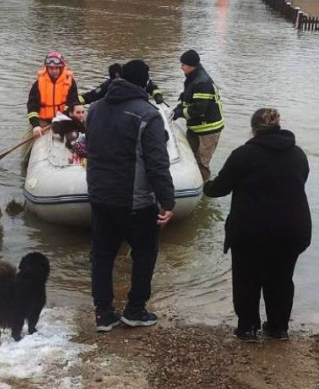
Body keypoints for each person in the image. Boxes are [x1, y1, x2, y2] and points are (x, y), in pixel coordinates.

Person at [203, 108, 311, 342]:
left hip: (250, 230)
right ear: (278, 127)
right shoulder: (298, 154)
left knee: (246, 278)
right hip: (291, 230)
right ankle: (278, 328)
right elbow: (302, 178)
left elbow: (220, 188)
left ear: (253, 130)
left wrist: (205, 186)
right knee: (281, 279)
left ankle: (248, 328)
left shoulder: (243, 155)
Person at [85, 59, 175, 332]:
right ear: (145, 82)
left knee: (101, 256)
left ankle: (103, 313)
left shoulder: (95, 109)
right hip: (135, 202)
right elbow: (157, 163)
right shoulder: (147, 115)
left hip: (100, 197)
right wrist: (168, 201)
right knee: (145, 253)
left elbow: (90, 147)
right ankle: (135, 309)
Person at [171, 49, 224, 181]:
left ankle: (203, 190)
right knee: (189, 159)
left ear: (192, 65)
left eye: (183, 65)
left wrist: (179, 113)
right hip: (196, 127)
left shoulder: (202, 82)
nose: (181, 67)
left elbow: (199, 109)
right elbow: (188, 100)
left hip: (208, 129)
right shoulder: (193, 78)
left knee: (201, 163)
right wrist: (177, 109)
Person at [27, 51, 79, 138]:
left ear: (61, 68)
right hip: (43, 121)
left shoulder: (69, 82)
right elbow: (32, 106)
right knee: (33, 138)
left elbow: (73, 102)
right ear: (47, 68)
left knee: (74, 138)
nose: (54, 71)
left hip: (63, 120)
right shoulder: (38, 83)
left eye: (57, 68)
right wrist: (35, 125)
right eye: (51, 68)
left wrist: (62, 117)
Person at [81, 63, 164, 105]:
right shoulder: (109, 85)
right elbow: (91, 96)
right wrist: (73, 103)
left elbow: (153, 88)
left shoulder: (140, 81)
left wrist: (158, 96)